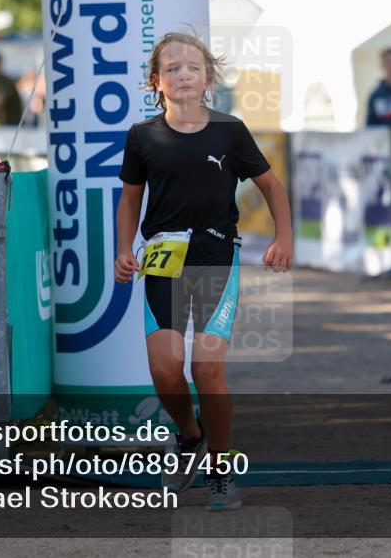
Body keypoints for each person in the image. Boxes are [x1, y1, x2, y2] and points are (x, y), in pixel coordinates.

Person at [115, 31, 292, 512]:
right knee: (165, 369)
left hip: (216, 258)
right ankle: (190, 434)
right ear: (157, 82)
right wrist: (123, 250)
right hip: (163, 263)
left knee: (206, 369)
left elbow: (272, 186)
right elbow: (130, 198)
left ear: (208, 77)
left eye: (193, 67)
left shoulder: (230, 131)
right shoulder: (142, 137)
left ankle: (220, 470)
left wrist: (284, 238)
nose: (184, 75)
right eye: (173, 68)